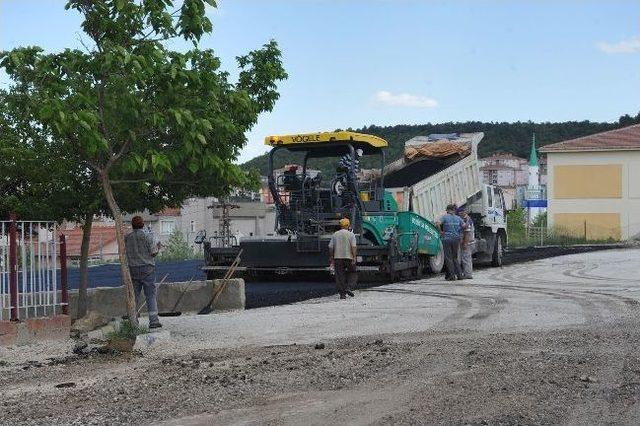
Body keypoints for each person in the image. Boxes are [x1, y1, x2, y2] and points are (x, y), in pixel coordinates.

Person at [125, 216, 162, 328]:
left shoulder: (127, 238)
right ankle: (154, 321)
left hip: (133, 269)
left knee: (134, 296)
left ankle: (134, 322)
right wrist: (158, 247)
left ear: (132, 225)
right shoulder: (147, 236)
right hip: (147, 269)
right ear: (142, 224)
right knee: (150, 295)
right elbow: (153, 253)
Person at [329, 218, 357, 299]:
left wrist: (331, 257)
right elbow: (353, 247)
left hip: (338, 258)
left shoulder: (335, 234)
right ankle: (349, 288)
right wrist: (354, 257)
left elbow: (330, 247)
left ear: (340, 225)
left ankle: (342, 294)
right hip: (349, 257)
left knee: (340, 276)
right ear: (348, 225)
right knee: (352, 272)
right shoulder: (351, 235)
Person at [438, 204, 464, 281]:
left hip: (447, 239)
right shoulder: (458, 218)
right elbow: (464, 225)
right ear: (454, 210)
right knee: (455, 258)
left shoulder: (445, 217)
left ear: (448, 210)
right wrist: (459, 232)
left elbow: (437, 224)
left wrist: (441, 232)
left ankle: (452, 276)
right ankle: (460, 275)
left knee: (449, 258)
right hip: (456, 239)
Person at [457, 207, 474, 279]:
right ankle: (466, 273)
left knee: (466, 258)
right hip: (466, 241)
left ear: (464, 212)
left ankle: (468, 274)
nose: (460, 214)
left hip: (467, 242)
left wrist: (465, 243)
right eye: (459, 213)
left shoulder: (467, 220)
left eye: (461, 213)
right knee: (465, 258)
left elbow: (467, 232)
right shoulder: (465, 219)